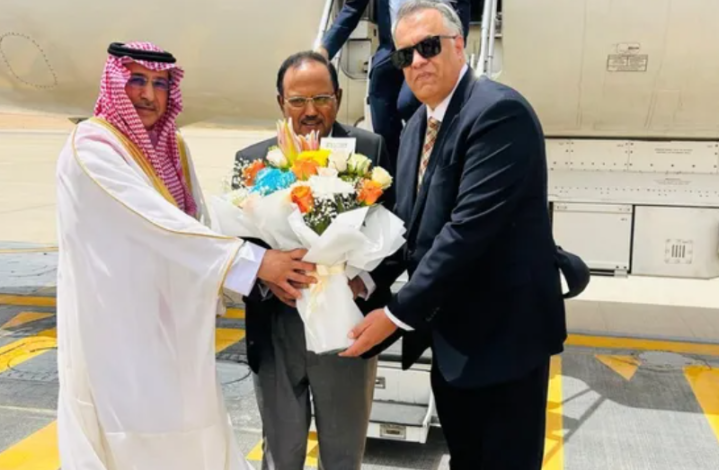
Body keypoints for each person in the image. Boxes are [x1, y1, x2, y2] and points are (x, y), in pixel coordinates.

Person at [55, 41, 316, 470]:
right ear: (115, 83)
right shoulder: (92, 148)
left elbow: (197, 219)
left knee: (188, 425)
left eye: (160, 84)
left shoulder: (171, 146)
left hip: (174, 323)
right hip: (119, 331)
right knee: (135, 435)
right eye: (137, 80)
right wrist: (254, 264)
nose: (149, 95)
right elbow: (156, 223)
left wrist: (259, 260)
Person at [339, 2, 567, 469]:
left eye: (429, 47)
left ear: (459, 45)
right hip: (452, 343)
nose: (417, 62)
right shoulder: (417, 127)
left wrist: (395, 314)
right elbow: (407, 229)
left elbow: (466, 233)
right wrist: (362, 280)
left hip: (504, 342)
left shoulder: (497, 113)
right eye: (405, 55)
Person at [232, 50, 393, 470]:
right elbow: (237, 243)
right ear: (280, 102)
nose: (310, 111)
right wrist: (267, 273)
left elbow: (396, 232)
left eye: (321, 99)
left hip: (346, 328)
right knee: (280, 456)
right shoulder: (251, 160)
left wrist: (361, 282)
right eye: (298, 101)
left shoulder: (370, 150)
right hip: (276, 329)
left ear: (337, 97)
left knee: (343, 456)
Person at [318, 0, 470, 174]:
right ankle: (393, 176)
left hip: (427, 46)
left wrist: (456, 42)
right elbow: (353, 7)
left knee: (407, 102)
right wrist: (324, 50)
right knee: (380, 103)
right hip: (392, 49)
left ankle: (428, 167)